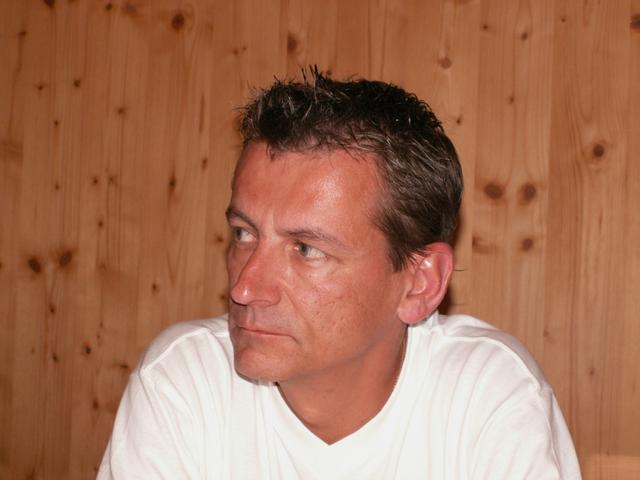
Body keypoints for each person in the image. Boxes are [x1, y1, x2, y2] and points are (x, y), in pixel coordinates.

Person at [98, 69, 581, 479]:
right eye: (244, 234)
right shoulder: (186, 380)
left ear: (420, 282)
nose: (244, 288)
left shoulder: (487, 394)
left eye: (306, 249)